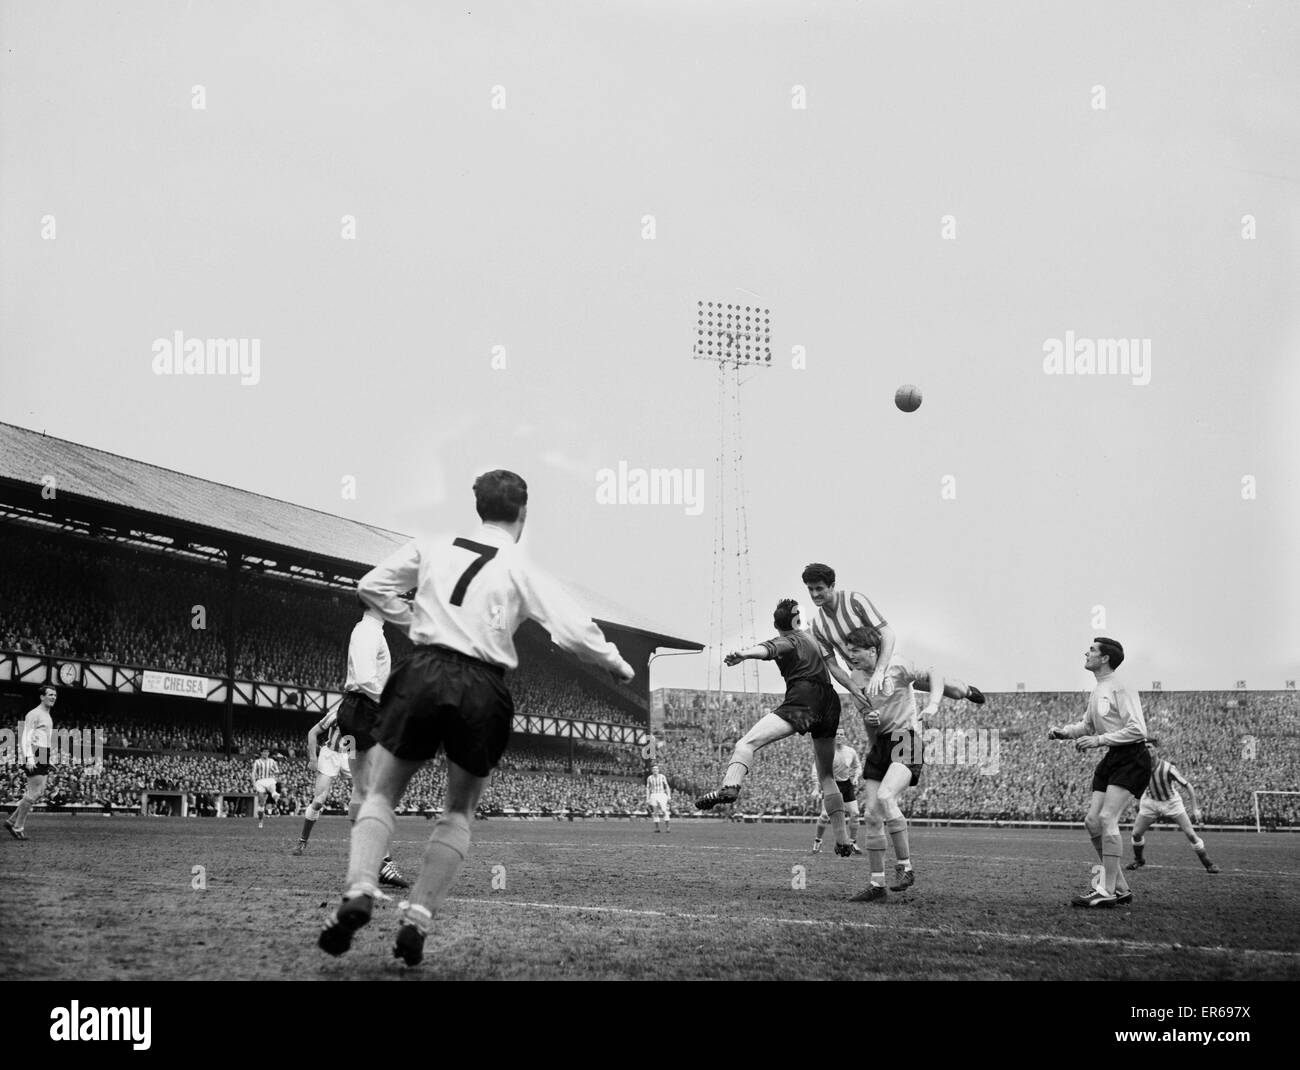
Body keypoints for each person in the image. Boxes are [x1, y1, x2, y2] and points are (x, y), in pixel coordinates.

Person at [317, 469, 634, 966]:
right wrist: (615, 663)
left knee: (381, 793)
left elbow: (371, 586)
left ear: (478, 506)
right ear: (523, 514)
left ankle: (359, 887)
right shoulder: (520, 567)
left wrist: (418, 622)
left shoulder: (434, 545)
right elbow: (573, 630)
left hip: (423, 671)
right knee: (458, 811)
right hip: (483, 687)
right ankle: (417, 917)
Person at [695, 599, 855, 858]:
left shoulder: (789, 640)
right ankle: (843, 839)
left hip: (804, 697)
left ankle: (730, 786)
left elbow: (769, 648)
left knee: (746, 744)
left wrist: (744, 654)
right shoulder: (814, 637)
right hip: (831, 701)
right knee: (827, 776)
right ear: (799, 620)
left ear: (776, 625)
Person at [296, 604, 409, 888]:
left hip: (362, 713)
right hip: (365, 711)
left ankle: (370, 864)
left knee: (367, 790)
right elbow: (364, 679)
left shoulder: (371, 631)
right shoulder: (367, 631)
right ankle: (378, 863)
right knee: (374, 790)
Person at [841, 626, 945, 901]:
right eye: (849, 651)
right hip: (881, 744)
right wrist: (869, 721)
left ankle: (906, 867)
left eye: (856, 651)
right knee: (872, 816)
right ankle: (877, 885)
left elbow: (934, 671)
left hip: (905, 739)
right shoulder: (855, 678)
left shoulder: (897, 665)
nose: (851, 656)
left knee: (887, 797)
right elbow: (869, 720)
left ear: (873, 651)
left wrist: (933, 704)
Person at [1049, 637, 1150, 907]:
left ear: (1105, 658)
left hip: (1132, 757)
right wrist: (1064, 733)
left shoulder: (1121, 685)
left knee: (1107, 818)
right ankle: (1120, 888)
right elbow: (1087, 726)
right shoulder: (1098, 689)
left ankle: (1105, 891)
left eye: (1092, 650)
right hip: (1113, 757)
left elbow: (1139, 730)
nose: (1087, 652)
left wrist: (1098, 741)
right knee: (1092, 821)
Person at [802, 562, 986, 707]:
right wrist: (853, 688)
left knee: (953, 690)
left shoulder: (854, 601)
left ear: (832, 586)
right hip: (864, 677)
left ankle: (967, 691)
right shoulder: (817, 625)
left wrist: (880, 670)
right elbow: (832, 665)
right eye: (810, 589)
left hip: (889, 665)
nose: (814, 594)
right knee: (881, 724)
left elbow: (887, 633)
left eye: (819, 588)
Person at [1126, 739, 1219, 874]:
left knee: (1191, 835)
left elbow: (1188, 786)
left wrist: (1195, 809)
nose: (1147, 750)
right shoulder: (1140, 767)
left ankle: (1208, 863)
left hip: (1171, 802)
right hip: (1150, 802)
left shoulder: (1168, 768)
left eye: (1150, 747)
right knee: (1136, 834)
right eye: (1144, 747)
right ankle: (1139, 860)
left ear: (1156, 749)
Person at [5, 684, 57, 841]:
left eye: (55, 695)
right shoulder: (34, 714)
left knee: (39, 792)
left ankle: (12, 820)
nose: (53, 697)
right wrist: (29, 757)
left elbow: (44, 738)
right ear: (42, 697)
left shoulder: (47, 715)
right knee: (34, 792)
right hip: (34, 752)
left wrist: (48, 760)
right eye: (50, 694)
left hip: (42, 753)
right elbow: (25, 736)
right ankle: (18, 826)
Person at [812, 728, 862, 854]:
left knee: (855, 813)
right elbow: (816, 768)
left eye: (841, 734)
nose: (839, 736)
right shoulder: (827, 751)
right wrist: (816, 787)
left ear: (844, 736)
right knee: (824, 815)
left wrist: (856, 777)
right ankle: (818, 841)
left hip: (846, 785)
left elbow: (857, 766)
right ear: (833, 736)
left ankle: (852, 842)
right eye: (837, 734)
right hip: (831, 784)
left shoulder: (851, 752)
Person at [251, 748, 280, 828]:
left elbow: (277, 771)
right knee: (261, 803)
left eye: (267, 752)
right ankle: (260, 821)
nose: (265, 753)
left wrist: (276, 778)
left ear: (268, 753)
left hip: (269, 779)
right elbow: (253, 773)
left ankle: (274, 794)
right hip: (260, 781)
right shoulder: (257, 762)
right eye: (264, 752)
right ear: (261, 753)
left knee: (272, 783)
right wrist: (254, 783)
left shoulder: (272, 761)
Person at [645, 763, 671, 833]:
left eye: (656, 769)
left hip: (661, 794)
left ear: (658, 770)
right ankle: (657, 828)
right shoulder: (650, 778)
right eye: (654, 769)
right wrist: (647, 798)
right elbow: (648, 788)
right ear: (652, 770)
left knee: (664, 810)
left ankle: (668, 827)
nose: (655, 770)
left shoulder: (662, 777)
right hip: (653, 794)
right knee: (655, 811)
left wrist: (669, 795)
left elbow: (667, 786)